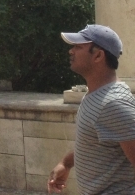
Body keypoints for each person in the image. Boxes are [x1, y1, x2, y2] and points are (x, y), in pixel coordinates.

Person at [48, 24, 135, 194]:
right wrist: (66, 163)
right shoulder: (97, 96)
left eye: (78, 47)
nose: (71, 51)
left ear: (98, 55)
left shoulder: (113, 103)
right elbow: (98, 142)